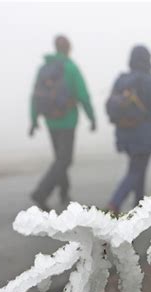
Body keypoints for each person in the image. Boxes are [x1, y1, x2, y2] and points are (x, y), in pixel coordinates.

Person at [106, 45, 151, 213]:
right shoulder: (149, 80)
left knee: (138, 168)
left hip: (124, 132)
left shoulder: (121, 80)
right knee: (136, 170)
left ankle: (138, 205)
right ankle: (114, 204)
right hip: (145, 134)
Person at [29, 35, 96, 211]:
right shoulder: (71, 68)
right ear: (68, 48)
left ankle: (64, 192)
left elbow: (35, 96)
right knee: (64, 160)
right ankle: (41, 192)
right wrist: (92, 117)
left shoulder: (43, 69)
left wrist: (34, 119)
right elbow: (83, 95)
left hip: (51, 121)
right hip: (67, 121)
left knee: (61, 158)